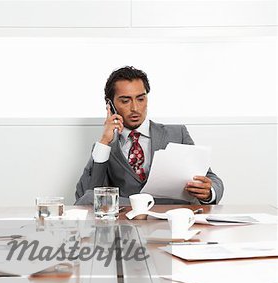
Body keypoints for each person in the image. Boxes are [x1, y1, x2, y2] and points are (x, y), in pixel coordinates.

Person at [75, 66, 223, 205]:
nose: (135, 108)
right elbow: (86, 197)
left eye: (141, 99)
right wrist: (104, 142)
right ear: (110, 105)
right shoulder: (105, 148)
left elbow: (211, 179)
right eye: (125, 101)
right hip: (127, 226)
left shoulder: (177, 134)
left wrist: (209, 192)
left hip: (171, 222)